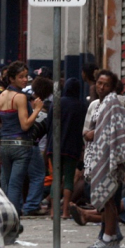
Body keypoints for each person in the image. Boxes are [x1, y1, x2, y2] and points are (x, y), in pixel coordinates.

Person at [83, 70, 125, 248]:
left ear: (112, 87)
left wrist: (93, 134)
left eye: (105, 84)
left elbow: (114, 131)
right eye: (99, 83)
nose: (101, 87)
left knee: (109, 199)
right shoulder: (100, 104)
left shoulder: (113, 103)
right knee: (107, 200)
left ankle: (108, 237)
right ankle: (110, 235)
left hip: (109, 157)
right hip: (100, 156)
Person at [0, 61, 43, 216]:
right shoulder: (20, 97)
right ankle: (12, 219)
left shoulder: (0, 97)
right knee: (15, 184)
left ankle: (5, 216)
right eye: (21, 77)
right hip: (21, 145)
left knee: (6, 182)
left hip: (5, 144)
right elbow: (25, 125)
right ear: (12, 79)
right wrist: (37, 110)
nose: (25, 80)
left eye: (26, 76)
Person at [46, 78, 86, 219]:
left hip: (54, 146)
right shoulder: (81, 106)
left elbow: (48, 125)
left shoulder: (55, 103)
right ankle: (65, 212)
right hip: (71, 147)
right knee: (69, 178)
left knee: (56, 178)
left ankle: (52, 212)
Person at [22, 75, 53, 216]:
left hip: (18, 142)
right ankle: (32, 206)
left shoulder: (26, 101)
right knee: (38, 175)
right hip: (32, 145)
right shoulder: (47, 109)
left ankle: (21, 204)